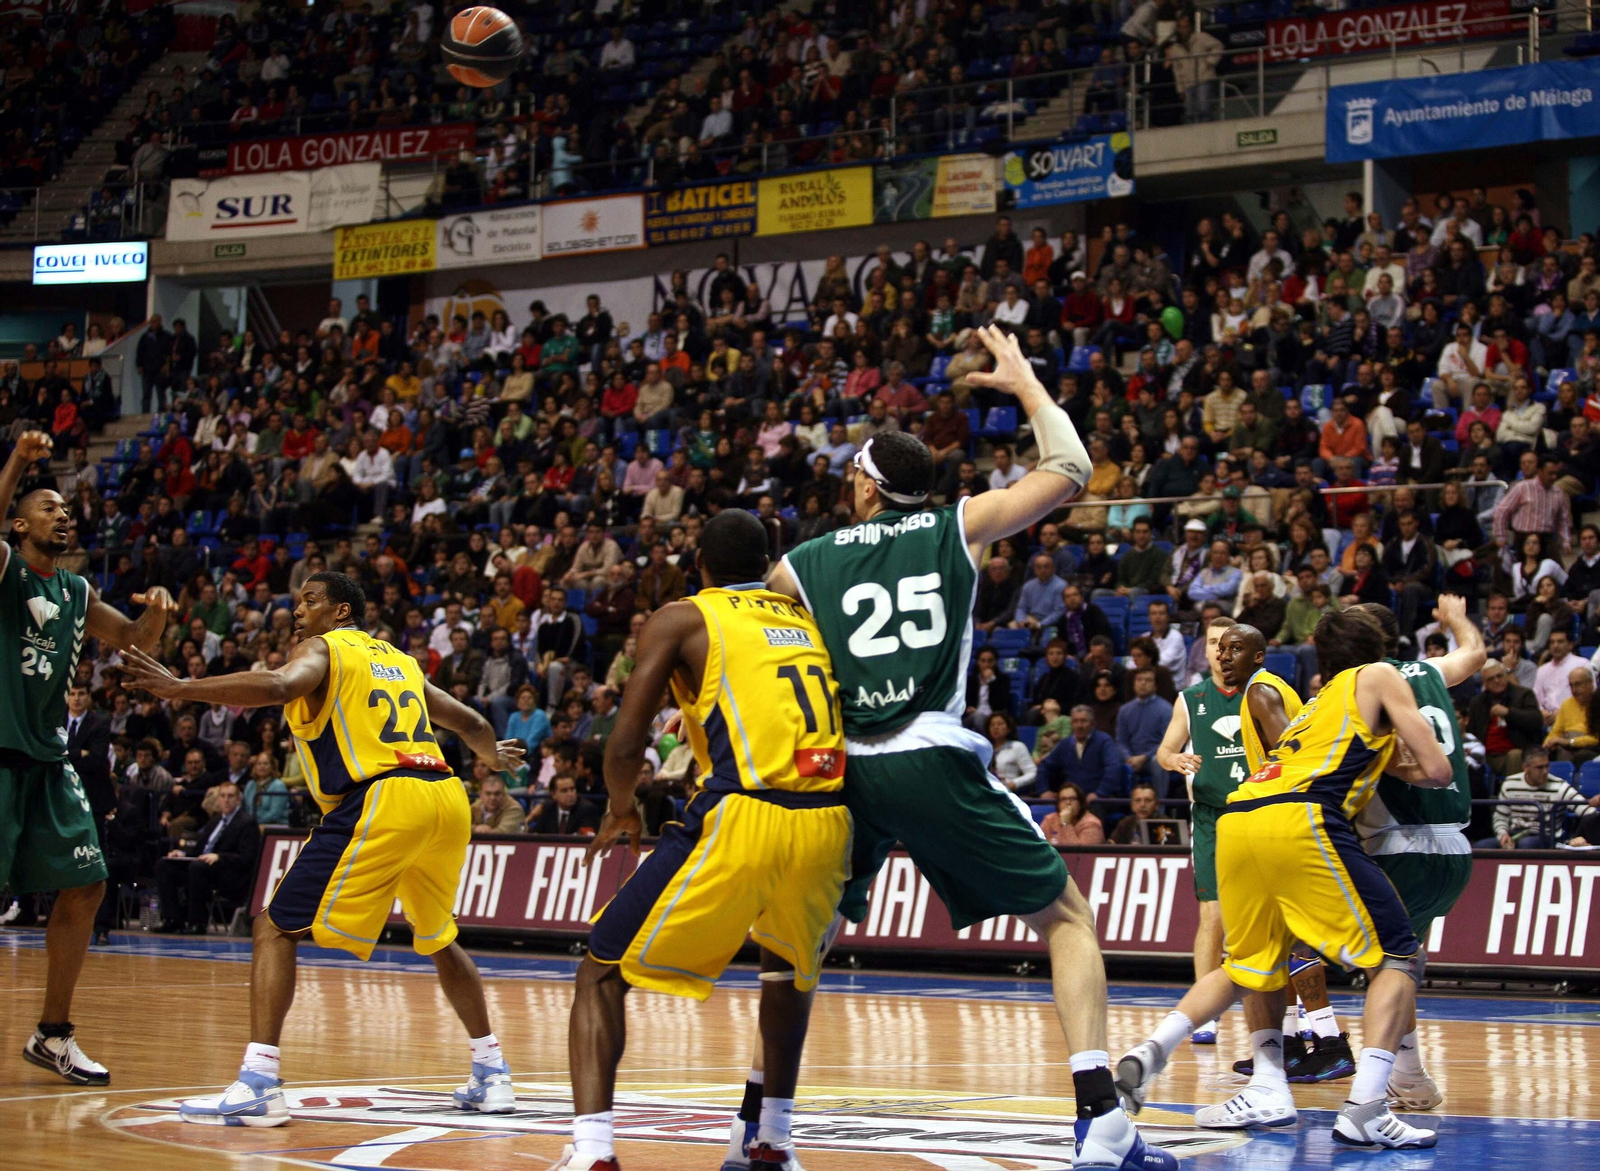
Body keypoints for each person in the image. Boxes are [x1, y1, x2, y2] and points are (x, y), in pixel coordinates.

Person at [766, 327, 1172, 1171]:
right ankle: (1101, 1118)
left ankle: (763, 1125)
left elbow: (770, 656)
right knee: (1065, 919)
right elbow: (1069, 470)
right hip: (929, 752)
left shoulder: (798, 566)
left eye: (851, 478)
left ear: (868, 488)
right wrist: (1027, 387)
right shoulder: (957, 528)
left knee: (798, 943)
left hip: (843, 768)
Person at [120, 572, 526, 1127]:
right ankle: (492, 1073)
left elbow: (281, 686)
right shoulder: (400, 660)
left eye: (310, 601)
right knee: (439, 935)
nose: (298, 611)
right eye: (297, 601)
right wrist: (493, 756)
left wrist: (181, 687)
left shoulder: (325, 649)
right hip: (447, 799)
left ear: (341, 613)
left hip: (384, 797)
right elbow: (472, 722)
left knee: (272, 927)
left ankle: (259, 1082)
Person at [563, 510, 853, 1171]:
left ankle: (592, 1153)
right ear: (769, 562)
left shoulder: (685, 615)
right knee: (785, 975)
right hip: (829, 818)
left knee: (600, 971)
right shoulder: (807, 619)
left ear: (699, 564)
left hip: (744, 812)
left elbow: (626, 741)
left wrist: (619, 806)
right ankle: (773, 1141)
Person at [1118, 609, 1454, 1150]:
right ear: (1380, 647)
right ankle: (1367, 1105)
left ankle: (1152, 1053)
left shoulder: (1314, 705)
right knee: (1398, 954)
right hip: (1302, 820)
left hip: (1237, 820)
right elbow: (1437, 771)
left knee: (1250, 966)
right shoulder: (1379, 677)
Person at [2, 432, 179, 1085]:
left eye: (66, 509)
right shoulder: (6, 569)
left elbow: (134, 638)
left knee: (87, 882)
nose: (64, 515)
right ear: (19, 524)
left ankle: (52, 1034)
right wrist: (20, 461)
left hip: (47, 759)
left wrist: (157, 611)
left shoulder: (75, 591)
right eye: (49, 507)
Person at [1350, 599, 1485, 1109]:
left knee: (1383, 964)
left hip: (1396, 841)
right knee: (1407, 956)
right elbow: (1473, 653)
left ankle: (1378, 1086)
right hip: (1453, 845)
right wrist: (1454, 620)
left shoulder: (1365, 683)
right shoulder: (1428, 670)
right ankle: (1409, 1073)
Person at [1152, 616, 1241, 1046]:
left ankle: (1300, 1017)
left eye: (1230, 642)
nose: (1221, 650)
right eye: (1213, 643)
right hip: (1210, 817)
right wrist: (1175, 761)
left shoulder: (1264, 692)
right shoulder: (1191, 699)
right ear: (1204, 651)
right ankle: (1206, 1013)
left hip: (1260, 816)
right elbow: (1164, 751)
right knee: (1213, 917)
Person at [153, 780, 260, 934]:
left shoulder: (247, 823)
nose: (226, 799)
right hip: (204, 867)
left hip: (229, 873)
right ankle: (172, 919)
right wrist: (182, 854)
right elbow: (199, 850)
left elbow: (247, 858)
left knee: (198, 868)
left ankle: (198, 923)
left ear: (238, 800)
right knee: (164, 865)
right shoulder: (215, 820)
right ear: (218, 800)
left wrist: (219, 857)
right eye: (222, 796)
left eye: (230, 796)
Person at [528, 773, 600, 835]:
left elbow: (587, 836)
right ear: (553, 794)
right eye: (564, 791)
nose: (570, 794)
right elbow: (536, 835)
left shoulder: (586, 809)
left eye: (572, 789)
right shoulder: (548, 808)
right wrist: (531, 817)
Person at [1040, 782, 1105, 845]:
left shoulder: (1092, 825)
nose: (1068, 802)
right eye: (1063, 799)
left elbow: (1079, 854)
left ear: (1080, 803)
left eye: (1073, 799)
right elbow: (1040, 846)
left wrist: (1066, 824)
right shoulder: (1049, 820)